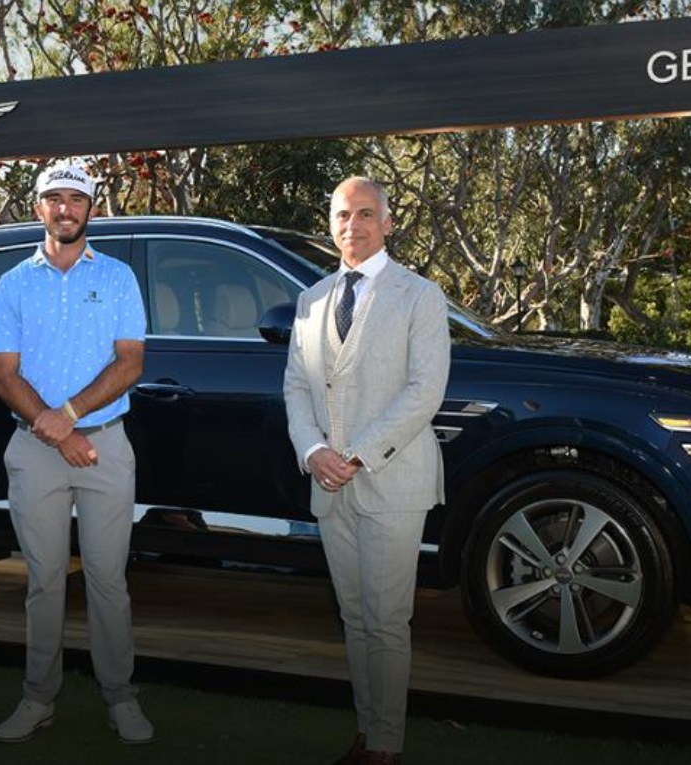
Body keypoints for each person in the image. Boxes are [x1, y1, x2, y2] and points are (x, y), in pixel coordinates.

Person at [283, 176, 451, 765]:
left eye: (363, 214)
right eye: (340, 215)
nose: (351, 225)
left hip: (392, 483)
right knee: (354, 618)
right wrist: (313, 452)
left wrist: (354, 454)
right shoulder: (312, 300)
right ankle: (367, 730)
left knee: (386, 620)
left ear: (385, 221)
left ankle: (386, 744)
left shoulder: (420, 296)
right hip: (329, 486)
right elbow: (296, 389)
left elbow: (424, 391)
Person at [0, 162, 153, 746]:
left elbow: (130, 362)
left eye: (75, 199)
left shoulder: (116, 278)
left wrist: (71, 417)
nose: (65, 209)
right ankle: (38, 697)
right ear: (39, 208)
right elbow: (2, 372)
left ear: (91, 209)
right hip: (34, 447)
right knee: (44, 581)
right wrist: (56, 429)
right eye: (53, 199)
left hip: (105, 445)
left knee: (109, 580)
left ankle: (120, 698)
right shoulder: (12, 283)